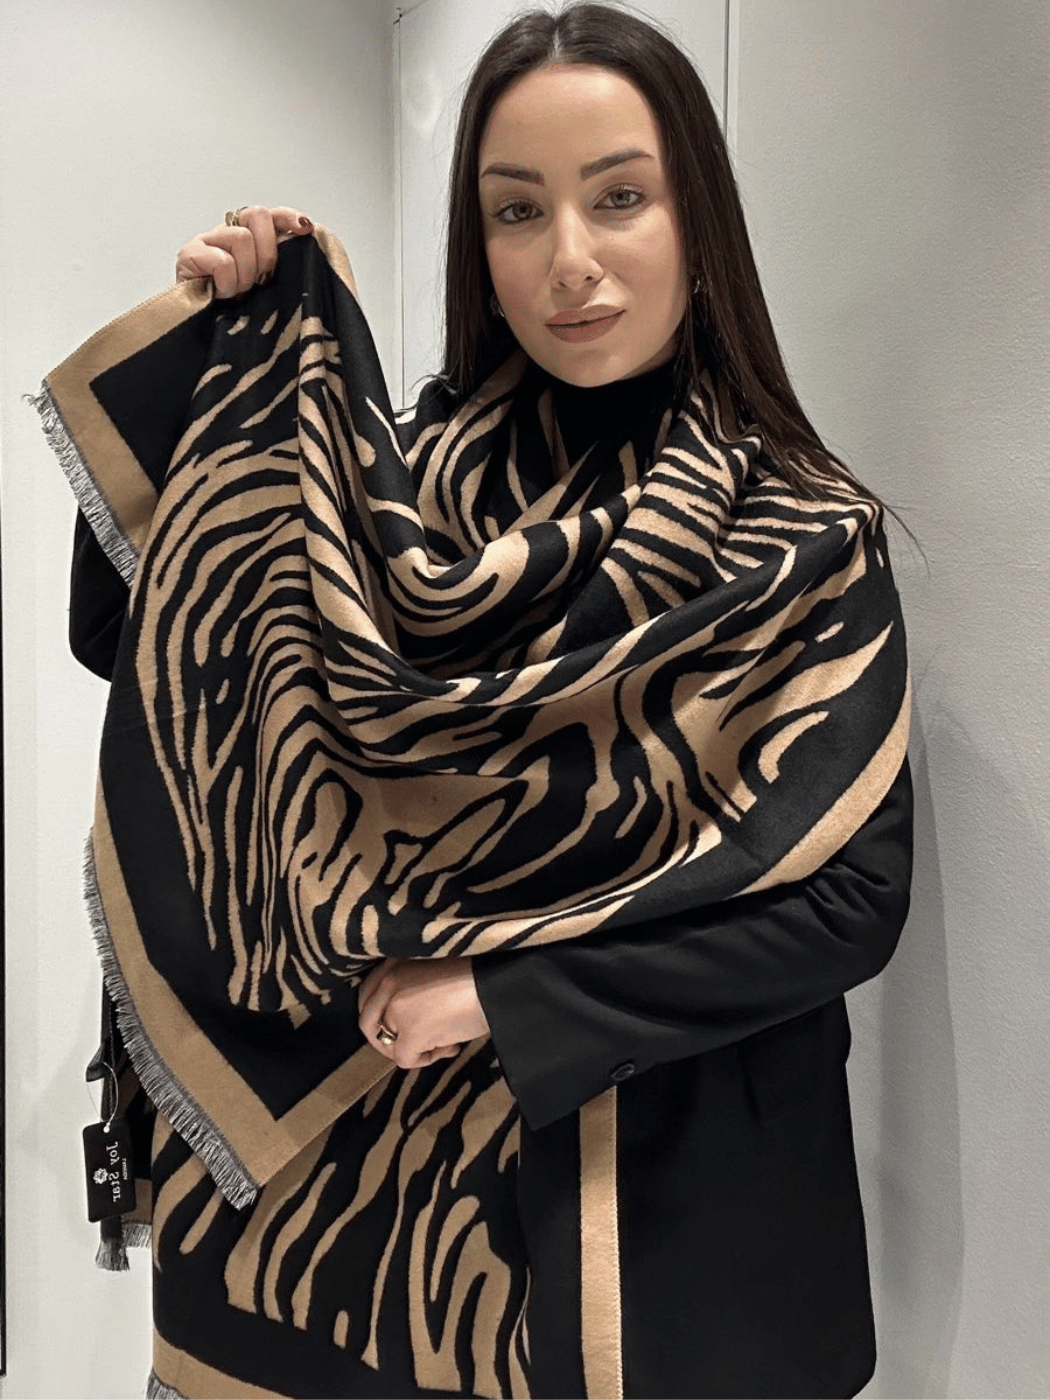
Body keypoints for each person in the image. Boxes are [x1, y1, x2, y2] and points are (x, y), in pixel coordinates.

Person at [48, 5, 912, 1398]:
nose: (569, 260)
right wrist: (221, 383)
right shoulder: (395, 493)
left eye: (619, 197)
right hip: (338, 1222)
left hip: (658, 1218)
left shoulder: (799, 540)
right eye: (517, 211)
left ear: (697, 219)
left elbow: (847, 903)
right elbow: (158, 662)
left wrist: (508, 996)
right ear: (480, 246)